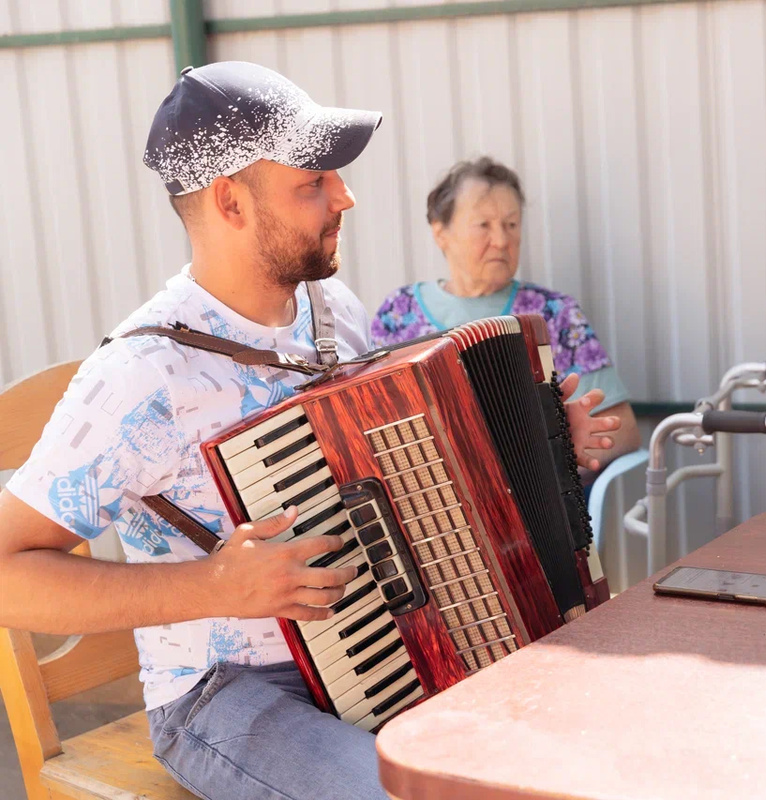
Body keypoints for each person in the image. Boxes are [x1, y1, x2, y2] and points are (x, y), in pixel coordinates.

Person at [0, 62, 618, 800]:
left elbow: (406, 469)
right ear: (231, 202)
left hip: (386, 645)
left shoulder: (331, 309)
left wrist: (545, 443)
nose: (345, 196)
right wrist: (213, 585)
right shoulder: (142, 376)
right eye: (313, 183)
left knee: (577, 739)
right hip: (231, 694)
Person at [371, 157, 642, 475]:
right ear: (440, 232)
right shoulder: (398, 313)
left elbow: (622, 429)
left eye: (511, 225)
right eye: (483, 225)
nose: (501, 240)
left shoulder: (552, 313)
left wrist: (556, 473)